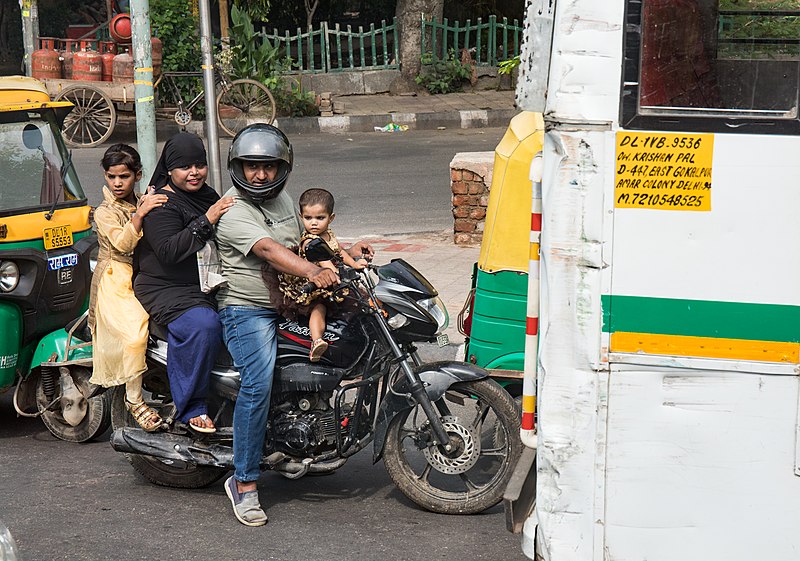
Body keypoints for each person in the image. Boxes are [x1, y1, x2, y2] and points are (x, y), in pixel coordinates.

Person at [215, 123, 373, 527]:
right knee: (258, 380)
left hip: (287, 302)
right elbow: (268, 249)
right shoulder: (234, 209)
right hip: (247, 309)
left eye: (268, 166)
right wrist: (312, 272)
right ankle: (245, 483)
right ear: (238, 166)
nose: (260, 174)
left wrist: (347, 252)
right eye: (251, 166)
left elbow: (308, 236)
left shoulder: (283, 198)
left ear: (281, 167)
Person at [133, 132, 235, 434]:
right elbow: (168, 251)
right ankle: (192, 408)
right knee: (203, 325)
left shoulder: (205, 195)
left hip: (205, 283)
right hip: (165, 288)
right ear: (170, 168)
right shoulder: (160, 204)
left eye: (200, 165)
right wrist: (207, 219)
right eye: (184, 167)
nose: (194, 173)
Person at [88, 144, 168, 431]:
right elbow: (123, 243)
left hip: (146, 273)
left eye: (124, 176)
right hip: (115, 277)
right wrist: (142, 213)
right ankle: (135, 402)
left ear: (137, 175)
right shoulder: (104, 212)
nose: (117, 183)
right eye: (111, 177)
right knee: (136, 335)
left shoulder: (142, 200)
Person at [275, 188, 366, 362]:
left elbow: (338, 251)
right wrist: (337, 273)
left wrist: (354, 263)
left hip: (330, 281)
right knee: (319, 308)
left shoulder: (328, 234)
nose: (314, 223)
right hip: (312, 285)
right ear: (301, 217)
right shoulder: (309, 240)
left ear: (331, 218)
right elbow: (324, 262)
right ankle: (317, 341)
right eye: (308, 218)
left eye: (320, 218)